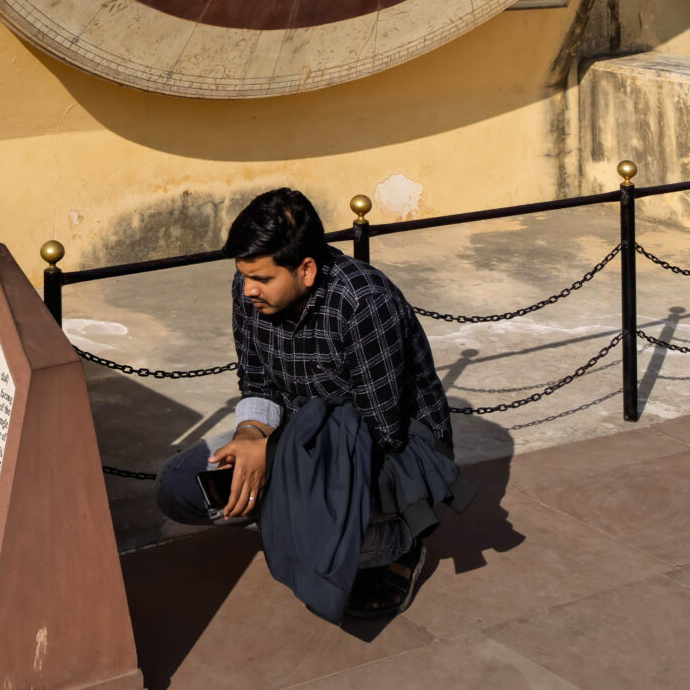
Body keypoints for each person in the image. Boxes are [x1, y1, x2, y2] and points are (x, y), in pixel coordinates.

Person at [154, 188, 471, 622]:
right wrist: (250, 436)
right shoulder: (248, 290)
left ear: (306, 270)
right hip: (295, 437)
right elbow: (257, 381)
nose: (249, 290)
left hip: (389, 453)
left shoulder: (364, 303)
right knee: (178, 486)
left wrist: (274, 460)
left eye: (262, 279)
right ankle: (294, 519)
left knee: (312, 531)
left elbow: (383, 433)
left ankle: (399, 539)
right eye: (244, 275)